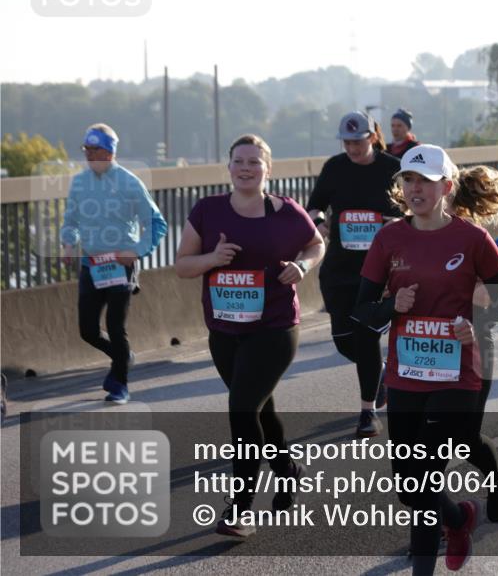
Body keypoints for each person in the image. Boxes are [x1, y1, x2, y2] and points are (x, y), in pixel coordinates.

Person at [354, 144, 498, 574]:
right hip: (407, 373)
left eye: (425, 180)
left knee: (425, 474)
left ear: (447, 186)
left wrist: (474, 323)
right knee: (409, 485)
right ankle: (459, 519)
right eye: (408, 179)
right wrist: (392, 307)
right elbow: (361, 311)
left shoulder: (473, 239)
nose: (416, 188)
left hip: (459, 369)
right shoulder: (389, 238)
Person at [176, 134, 325, 537]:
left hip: (275, 328)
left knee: (242, 409)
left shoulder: (286, 212)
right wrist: (213, 258)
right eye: (239, 161)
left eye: (254, 163)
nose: (246, 168)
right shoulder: (207, 211)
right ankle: (288, 469)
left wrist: (303, 267)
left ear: (268, 170)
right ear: (228, 168)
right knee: (259, 411)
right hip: (224, 331)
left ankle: (240, 508)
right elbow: (183, 265)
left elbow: (316, 244)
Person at [305, 111, 401, 437]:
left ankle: (366, 412)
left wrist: (398, 224)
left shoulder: (392, 168)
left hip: (378, 269)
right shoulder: (334, 167)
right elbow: (314, 205)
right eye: (347, 142)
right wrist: (319, 223)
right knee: (345, 343)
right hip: (339, 268)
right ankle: (385, 374)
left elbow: (416, 208)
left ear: (372, 138)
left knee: (367, 334)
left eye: (358, 142)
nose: (352, 148)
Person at [60, 123, 167, 404]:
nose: (88, 155)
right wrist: (68, 242)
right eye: (86, 149)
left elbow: (156, 224)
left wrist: (138, 250)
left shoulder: (130, 183)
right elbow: (70, 220)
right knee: (88, 331)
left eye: (94, 149)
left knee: (116, 327)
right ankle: (123, 357)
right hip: (91, 265)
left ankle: (120, 384)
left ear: (109, 152)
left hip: (121, 265)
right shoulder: (80, 183)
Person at [448, 165, 498, 523]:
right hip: (425, 352)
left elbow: (496, 306)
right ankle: (433, 528)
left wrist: (495, 298)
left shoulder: (476, 241)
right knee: (424, 447)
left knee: (462, 439)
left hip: (475, 351)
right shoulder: (409, 234)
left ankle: (496, 478)